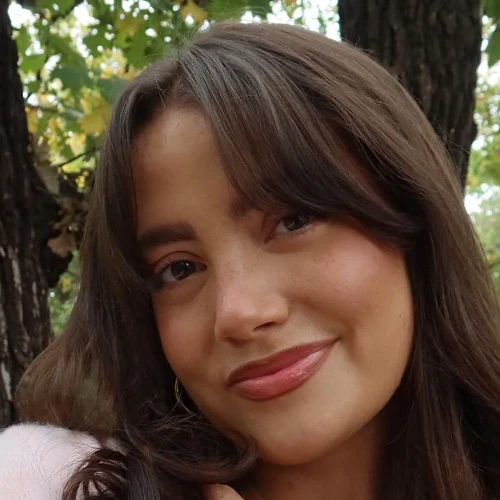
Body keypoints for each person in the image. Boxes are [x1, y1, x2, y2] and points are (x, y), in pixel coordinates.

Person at [1, 20, 499, 500]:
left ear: (413, 218)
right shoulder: (44, 481)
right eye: (179, 268)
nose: (238, 313)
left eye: (294, 220)